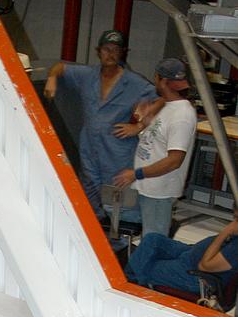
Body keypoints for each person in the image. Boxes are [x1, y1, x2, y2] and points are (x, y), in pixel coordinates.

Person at [44, 30, 155, 218]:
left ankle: (119, 234)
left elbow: (161, 100)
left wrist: (138, 127)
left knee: (118, 205)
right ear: (98, 51)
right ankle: (93, 231)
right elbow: (59, 67)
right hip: (89, 150)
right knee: (89, 201)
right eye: (106, 49)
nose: (110, 54)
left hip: (117, 154)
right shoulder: (87, 75)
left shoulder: (134, 82)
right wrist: (52, 78)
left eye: (115, 50)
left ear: (122, 53)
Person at [113, 59, 198, 236]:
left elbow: (174, 161)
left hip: (160, 191)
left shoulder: (182, 116)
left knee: (153, 239)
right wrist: (141, 123)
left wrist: (136, 174)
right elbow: (157, 130)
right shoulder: (167, 104)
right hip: (148, 186)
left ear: (162, 80)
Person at [126, 213, 238, 295]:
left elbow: (204, 266)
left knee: (144, 266)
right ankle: (130, 279)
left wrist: (225, 232)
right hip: (189, 253)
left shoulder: (235, 250)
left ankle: (128, 286)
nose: (233, 222)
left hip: (193, 275)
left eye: (236, 219)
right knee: (152, 239)